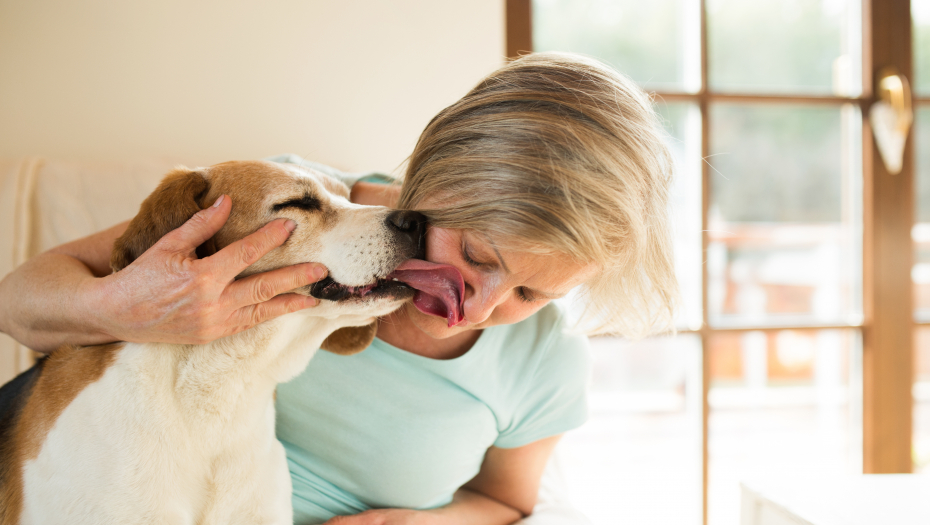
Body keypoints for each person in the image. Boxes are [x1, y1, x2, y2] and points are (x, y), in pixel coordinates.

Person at [0, 52, 677, 524]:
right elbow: (17, 302)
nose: (486, 306)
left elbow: (508, 500)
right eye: (475, 254)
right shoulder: (281, 202)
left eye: (534, 295)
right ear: (435, 173)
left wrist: (423, 522)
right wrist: (137, 306)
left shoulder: (543, 361)